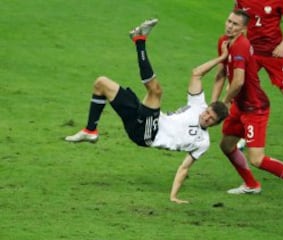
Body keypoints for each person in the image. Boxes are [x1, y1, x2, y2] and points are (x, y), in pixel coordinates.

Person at [65, 19, 228, 204]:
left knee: (156, 92)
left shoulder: (202, 142)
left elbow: (184, 168)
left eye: (211, 119)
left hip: (148, 135)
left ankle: (139, 40)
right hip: (143, 122)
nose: (206, 117)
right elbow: (197, 73)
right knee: (101, 83)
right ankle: (90, 130)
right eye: (207, 113)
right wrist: (221, 59)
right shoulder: (198, 105)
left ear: (215, 124)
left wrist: (174, 196)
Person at [211, 10, 283, 208]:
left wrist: (224, 102)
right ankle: (251, 184)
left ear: (244, 29)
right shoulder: (223, 42)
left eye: (235, 24)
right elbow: (221, 74)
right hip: (240, 106)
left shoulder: (241, 46)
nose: (229, 26)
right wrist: (213, 103)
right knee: (226, 145)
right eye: (229, 21)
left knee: (257, 159)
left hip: (254, 109)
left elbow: (239, 81)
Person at [233, 0, 283, 156]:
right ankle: (245, 134)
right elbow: (238, 19)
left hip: (275, 53)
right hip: (252, 53)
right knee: (244, 91)